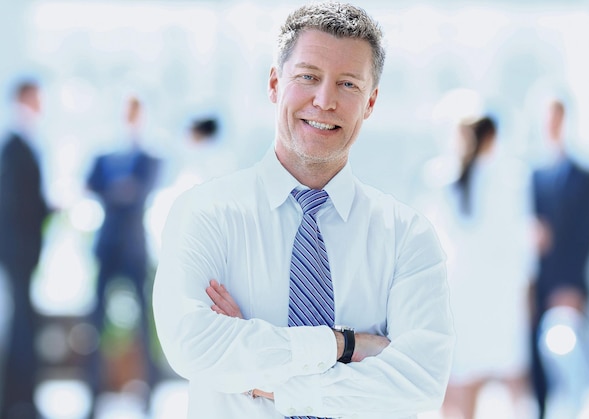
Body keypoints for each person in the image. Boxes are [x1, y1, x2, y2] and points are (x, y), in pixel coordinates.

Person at [152, 2, 454, 418]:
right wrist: (344, 345)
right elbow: (192, 346)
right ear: (275, 83)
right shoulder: (205, 213)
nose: (324, 100)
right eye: (308, 77)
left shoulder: (407, 236)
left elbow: (419, 387)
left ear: (370, 102)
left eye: (348, 84)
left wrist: (266, 378)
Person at [430, 116, 534, 419]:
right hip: (498, 289)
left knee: (460, 373)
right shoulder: (510, 178)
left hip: (460, 287)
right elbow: (519, 241)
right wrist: (527, 287)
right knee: (507, 375)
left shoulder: (443, 176)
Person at [85, 95, 161, 414]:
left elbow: (139, 190)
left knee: (144, 318)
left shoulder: (149, 157)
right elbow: (91, 184)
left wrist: (117, 190)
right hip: (107, 246)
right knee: (95, 318)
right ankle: (92, 388)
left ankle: (149, 389)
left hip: (133, 247)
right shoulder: (104, 155)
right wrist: (122, 189)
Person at [529, 99, 589, 418]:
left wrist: (572, 288)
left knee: (568, 363)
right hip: (535, 286)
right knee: (535, 370)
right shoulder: (531, 176)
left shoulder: (586, 178)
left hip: (568, 288)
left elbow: (587, 238)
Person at [0, 79, 52, 418]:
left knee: (23, 322)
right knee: (21, 324)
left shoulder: (26, 145)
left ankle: (22, 397)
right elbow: (15, 204)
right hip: (17, 251)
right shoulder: (14, 147)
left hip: (23, 251)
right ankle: (20, 399)